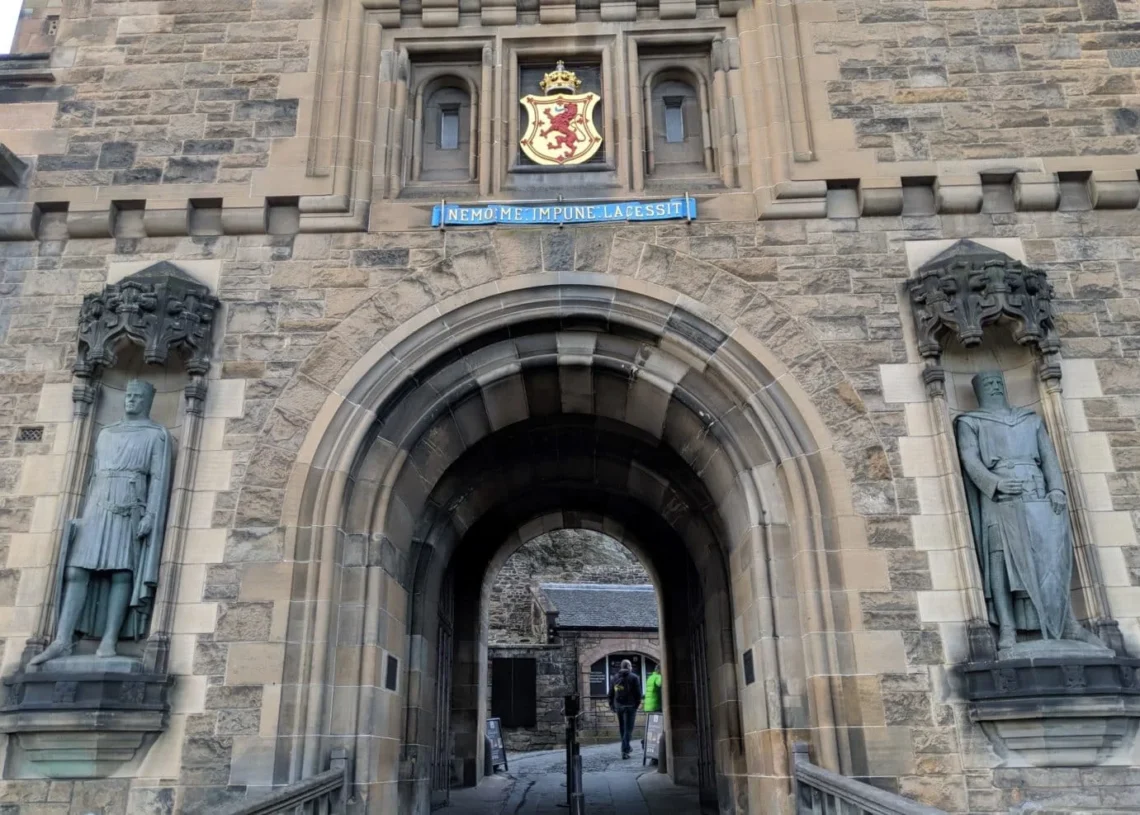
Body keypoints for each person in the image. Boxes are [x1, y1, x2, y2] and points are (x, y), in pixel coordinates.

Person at [955, 371, 1102, 652]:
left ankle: (1068, 622)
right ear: (979, 391)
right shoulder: (970, 422)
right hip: (1000, 498)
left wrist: (1056, 489)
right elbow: (970, 459)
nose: (995, 386)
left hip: (1038, 494)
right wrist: (995, 482)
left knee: (1051, 559)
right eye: (989, 384)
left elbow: (1049, 459)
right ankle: (1007, 629)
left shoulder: (1031, 420)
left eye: (999, 382)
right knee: (1001, 561)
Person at [30, 380, 172, 665]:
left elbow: (158, 479)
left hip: (129, 506)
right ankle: (62, 639)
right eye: (128, 395)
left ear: (148, 401)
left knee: (121, 573)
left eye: (137, 396)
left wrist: (151, 515)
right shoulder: (106, 433)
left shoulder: (156, 435)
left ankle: (109, 641)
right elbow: (91, 475)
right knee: (77, 571)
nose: (131, 400)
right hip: (97, 504)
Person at [608, 659, 642, 759]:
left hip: (619, 706)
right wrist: (636, 705)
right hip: (630, 706)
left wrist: (612, 706)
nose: (631, 667)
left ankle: (626, 747)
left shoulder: (614, 677)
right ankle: (625, 750)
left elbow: (610, 693)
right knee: (629, 729)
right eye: (630, 666)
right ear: (628, 666)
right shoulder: (634, 677)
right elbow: (638, 694)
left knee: (623, 728)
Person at [641, 665, 662, 759]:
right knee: (657, 730)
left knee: (651, 728)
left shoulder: (650, 677)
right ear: (660, 670)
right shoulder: (658, 677)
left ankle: (645, 740)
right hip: (656, 705)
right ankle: (648, 743)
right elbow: (660, 684)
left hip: (648, 706)